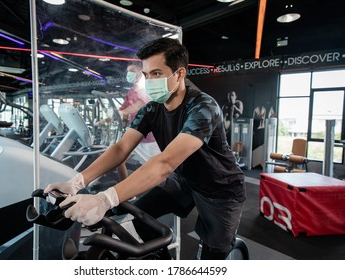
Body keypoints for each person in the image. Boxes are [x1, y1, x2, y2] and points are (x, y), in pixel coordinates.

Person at [44, 38, 246, 260]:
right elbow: (121, 148)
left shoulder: (203, 107)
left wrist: (105, 199)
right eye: (147, 74)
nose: (149, 80)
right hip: (184, 179)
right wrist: (76, 182)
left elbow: (166, 163)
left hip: (220, 187)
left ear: (179, 74)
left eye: (157, 73)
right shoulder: (151, 108)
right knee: (139, 215)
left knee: (212, 255)